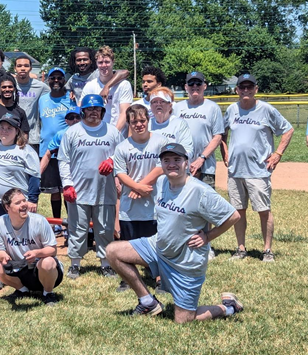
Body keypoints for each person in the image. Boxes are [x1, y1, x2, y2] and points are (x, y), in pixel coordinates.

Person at [106, 144, 244, 322]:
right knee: (112, 251)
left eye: (177, 160)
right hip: (158, 248)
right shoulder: (163, 182)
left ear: (186, 163)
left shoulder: (200, 191)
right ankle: (147, 301)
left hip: (185, 263)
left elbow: (233, 216)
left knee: (184, 320)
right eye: (167, 160)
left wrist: (208, 236)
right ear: (161, 164)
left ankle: (228, 307)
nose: (171, 164)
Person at [223, 73, 294, 262]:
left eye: (249, 87)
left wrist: (278, 153)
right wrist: (224, 151)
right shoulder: (231, 110)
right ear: (236, 90)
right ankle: (240, 249)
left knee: (264, 210)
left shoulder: (266, 110)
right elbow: (221, 132)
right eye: (242, 87)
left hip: (258, 170)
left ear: (256, 89)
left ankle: (267, 250)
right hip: (235, 170)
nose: (246, 90)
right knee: (238, 211)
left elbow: (288, 129)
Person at [58, 94, 124, 280]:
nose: (93, 112)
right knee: (78, 228)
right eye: (90, 109)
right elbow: (63, 160)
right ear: (83, 110)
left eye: (97, 109)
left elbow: (122, 154)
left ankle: (105, 264)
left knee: (104, 228)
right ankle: (75, 264)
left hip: (105, 189)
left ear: (102, 111)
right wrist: (67, 184)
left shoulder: (112, 132)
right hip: (79, 189)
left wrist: (112, 161)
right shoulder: (72, 132)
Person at [111, 105, 164, 292]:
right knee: (128, 246)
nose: (139, 125)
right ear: (129, 124)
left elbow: (161, 167)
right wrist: (137, 187)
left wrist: (140, 186)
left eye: (142, 121)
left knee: (156, 244)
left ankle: (158, 278)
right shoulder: (123, 147)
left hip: (154, 205)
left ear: (148, 120)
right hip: (129, 207)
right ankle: (128, 279)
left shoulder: (160, 141)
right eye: (134, 122)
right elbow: (120, 173)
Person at [0, 187, 63, 306]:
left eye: (24, 200)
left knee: (48, 262)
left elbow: (53, 250)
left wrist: (36, 253)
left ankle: (48, 293)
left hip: (42, 269)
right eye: (18, 202)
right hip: (19, 268)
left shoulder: (39, 221)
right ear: (7, 207)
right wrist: (3, 256)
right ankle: (22, 290)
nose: (24, 205)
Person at [36, 67, 75, 222]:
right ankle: (57, 222)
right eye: (53, 78)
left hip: (66, 148)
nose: (56, 81)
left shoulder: (70, 98)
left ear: (64, 80)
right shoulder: (43, 99)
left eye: (60, 78)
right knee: (54, 190)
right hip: (47, 148)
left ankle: (70, 221)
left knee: (67, 186)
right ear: (48, 80)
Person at [0, 114, 40, 222]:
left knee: (20, 236)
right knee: (0, 236)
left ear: (17, 131)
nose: (4, 131)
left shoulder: (25, 150)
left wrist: (32, 200)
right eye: (2, 127)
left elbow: (34, 177)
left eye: (9, 128)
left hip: (18, 204)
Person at [173, 72, 224, 186]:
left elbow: (218, 136)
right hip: (181, 167)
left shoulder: (213, 108)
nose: (195, 86)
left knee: (206, 202)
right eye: (191, 83)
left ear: (204, 86)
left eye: (198, 83)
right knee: (182, 202)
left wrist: (201, 159)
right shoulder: (177, 108)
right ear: (186, 87)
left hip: (206, 167)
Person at [81, 46, 134, 132]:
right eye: (100, 62)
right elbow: (81, 109)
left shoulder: (124, 84)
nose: (104, 65)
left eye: (107, 62)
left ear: (113, 62)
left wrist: (114, 134)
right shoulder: (90, 86)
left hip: (118, 134)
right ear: (96, 63)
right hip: (96, 135)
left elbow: (124, 112)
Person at [148, 88, 194, 155]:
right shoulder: (147, 124)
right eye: (154, 102)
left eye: (162, 101)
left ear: (170, 105)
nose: (158, 104)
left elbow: (188, 150)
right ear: (150, 106)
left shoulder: (179, 124)